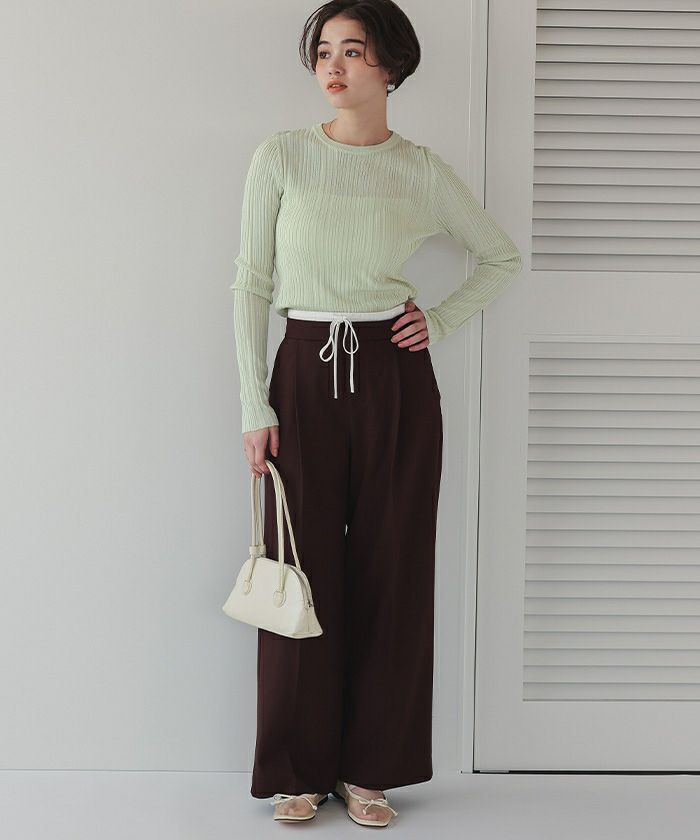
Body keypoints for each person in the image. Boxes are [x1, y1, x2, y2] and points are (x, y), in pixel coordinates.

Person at [230, 0, 522, 826]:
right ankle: (297, 769)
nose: (334, 66)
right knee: (300, 567)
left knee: (394, 571)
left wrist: (442, 319)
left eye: (354, 51)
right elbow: (251, 282)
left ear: (391, 66)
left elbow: (500, 257)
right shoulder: (282, 156)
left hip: (394, 376)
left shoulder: (420, 170)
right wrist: (254, 402)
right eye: (324, 50)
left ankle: (371, 769)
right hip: (301, 372)